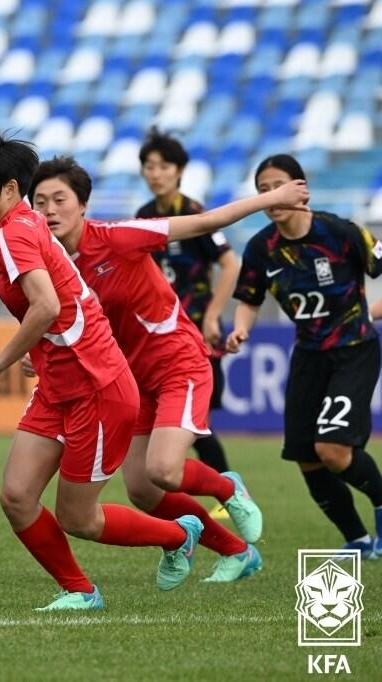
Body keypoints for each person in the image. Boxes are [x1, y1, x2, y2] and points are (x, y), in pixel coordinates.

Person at [27, 156, 307, 581]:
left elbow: (204, 222)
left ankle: (228, 487)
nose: (49, 211)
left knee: (164, 470)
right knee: (141, 488)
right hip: (130, 380)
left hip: (179, 363)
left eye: (59, 199)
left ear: (82, 204)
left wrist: (271, 198)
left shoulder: (119, 236)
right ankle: (235, 550)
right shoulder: (48, 264)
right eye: (40, 202)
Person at [0, 133, 205, 611]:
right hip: (58, 385)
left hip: (96, 387)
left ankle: (177, 534)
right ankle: (80, 591)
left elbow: (46, 306)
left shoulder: (18, 231)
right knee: (16, 496)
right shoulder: (19, 226)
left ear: (9, 189)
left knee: (78, 517)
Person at [226, 153, 382, 558]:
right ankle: (359, 540)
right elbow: (248, 297)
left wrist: (370, 311)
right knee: (304, 455)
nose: (270, 196)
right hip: (308, 356)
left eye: (277, 186)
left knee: (332, 450)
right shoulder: (262, 249)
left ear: (300, 190)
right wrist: (242, 326)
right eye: (262, 191)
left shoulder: (339, 232)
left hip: (353, 351)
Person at [136, 129, 239, 480]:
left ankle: (226, 486)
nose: (156, 173)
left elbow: (230, 263)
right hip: (159, 335)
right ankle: (222, 486)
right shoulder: (144, 215)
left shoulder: (194, 214)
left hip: (196, 331)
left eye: (164, 166)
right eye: (149, 166)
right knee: (185, 422)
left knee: (193, 419)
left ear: (179, 170)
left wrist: (213, 315)